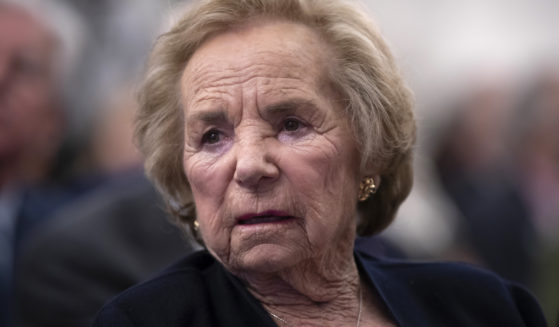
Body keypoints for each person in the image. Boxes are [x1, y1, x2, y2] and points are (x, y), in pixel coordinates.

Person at [94, 0, 547, 326]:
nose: (249, 165)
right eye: (212, 136)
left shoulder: (485, 307)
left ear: (369, 151)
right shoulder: (140, 321)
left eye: (291, 124)